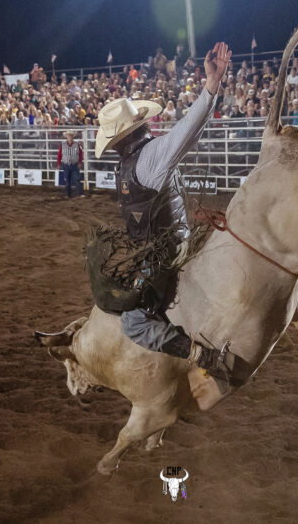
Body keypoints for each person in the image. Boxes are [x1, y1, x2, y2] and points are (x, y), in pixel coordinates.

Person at [93, 41, 235, 383]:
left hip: (164, 250)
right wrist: (189, 217)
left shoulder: (149, 156)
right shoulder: (145, 158)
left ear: (120, 139)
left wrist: (211, 88)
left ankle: (202, 356)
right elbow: (162, 200)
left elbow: (187, 131)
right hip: (168, 239)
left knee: (134, 322)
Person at [56, 131, 84, 199]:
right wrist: (59, 163)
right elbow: (59, 155)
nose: (70, 137)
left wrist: (80, 162)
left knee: (77, 179)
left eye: (71, 135)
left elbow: (80, 154)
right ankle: (68, 194)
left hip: (75, 164)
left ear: (72, 137)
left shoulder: (77, 144)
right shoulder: (62, 145)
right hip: (66, 164)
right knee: (67, 180)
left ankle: (80, 194)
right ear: (67, 137)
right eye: (68, 136)